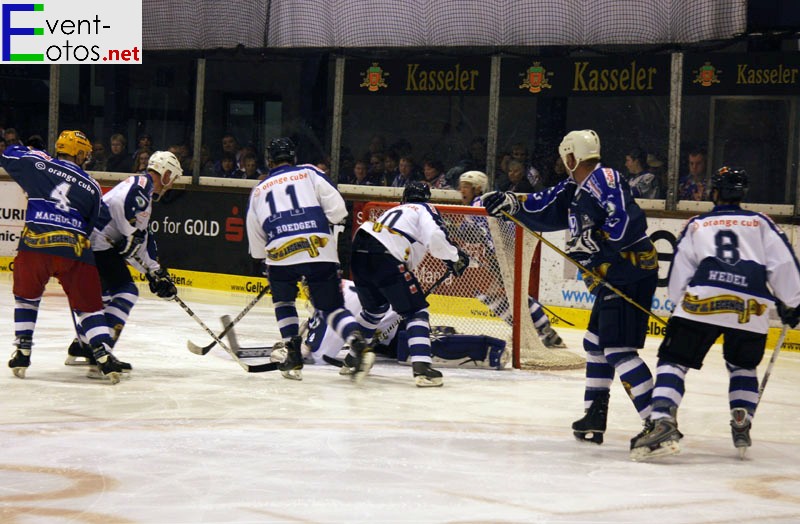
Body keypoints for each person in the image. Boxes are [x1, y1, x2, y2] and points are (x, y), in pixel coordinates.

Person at [482, 129, 659, 444]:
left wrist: (600, 240)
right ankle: (595, 413)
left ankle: (658, 422)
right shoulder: (577, 187)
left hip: (627, 273)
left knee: (618, 349)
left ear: (571, 156)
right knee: (594, 344)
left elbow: (627, 220)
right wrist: (511, 203)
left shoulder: (605, 178)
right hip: (616, 276)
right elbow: (543, 205)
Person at [629, 167, 800, 461]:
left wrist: (676, 303)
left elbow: (680, 271)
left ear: (715, 194)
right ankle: (741, 417)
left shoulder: (698, 224)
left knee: (674, 361)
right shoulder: (761, 223)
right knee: (743, 366)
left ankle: (663, 420)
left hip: (702, 300)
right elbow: (784, 265)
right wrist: (792, 301)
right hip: (751, 307)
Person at [2, 130, 128, 384]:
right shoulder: (92, 184)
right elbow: (92, 225)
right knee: (89, 307)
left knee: (27, 298)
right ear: (79, 153)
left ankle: (23, 351)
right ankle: (103, 354)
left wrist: (32, 151)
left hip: (36, 244)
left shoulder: (39, 163)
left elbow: (7, 154)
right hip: (74, 249)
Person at [246, 137, 372, 381]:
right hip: (319, 248)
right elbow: (339, 211)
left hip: (279, 252)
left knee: (284, 302)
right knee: (331, 307)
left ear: (269, 161)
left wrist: (266, 256)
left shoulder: (259, 190)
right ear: (293, 158)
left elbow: (257, 243)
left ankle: (292, 355)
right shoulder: (309, 173)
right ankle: (356, 342)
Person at [65, 151, 182, 368]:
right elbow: (123, 211)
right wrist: (129, 236)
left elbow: (142, 239)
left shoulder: (143, 192)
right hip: (96, 244)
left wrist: (154, 271)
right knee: (126, 291)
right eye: (172, 178)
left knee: (104, 297)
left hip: (95, 244)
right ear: (165, 174)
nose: (172, 184)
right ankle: (102, 352)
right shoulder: (141, 185)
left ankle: (82, 344)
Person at [349, 181, 470, 387]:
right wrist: (454, 256)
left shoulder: (394, 210)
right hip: (385, 253)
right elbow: (434, 236)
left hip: (358, 251)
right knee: (416, 311)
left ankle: (352, 360)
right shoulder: (424, 208)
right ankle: (422, 369)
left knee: (375, 308)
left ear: (404, 198)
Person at [458, 170, 564, 348]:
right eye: (461, 187)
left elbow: (480, 231)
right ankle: (536, 330)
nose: (462, 191)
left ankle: (544, 331)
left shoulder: (480, 203)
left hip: (505, 254)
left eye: (466, 187)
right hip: (499, 255)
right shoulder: (476, 206)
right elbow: (470, 233)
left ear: (477, 189)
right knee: (497, 295)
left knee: (510, 295)